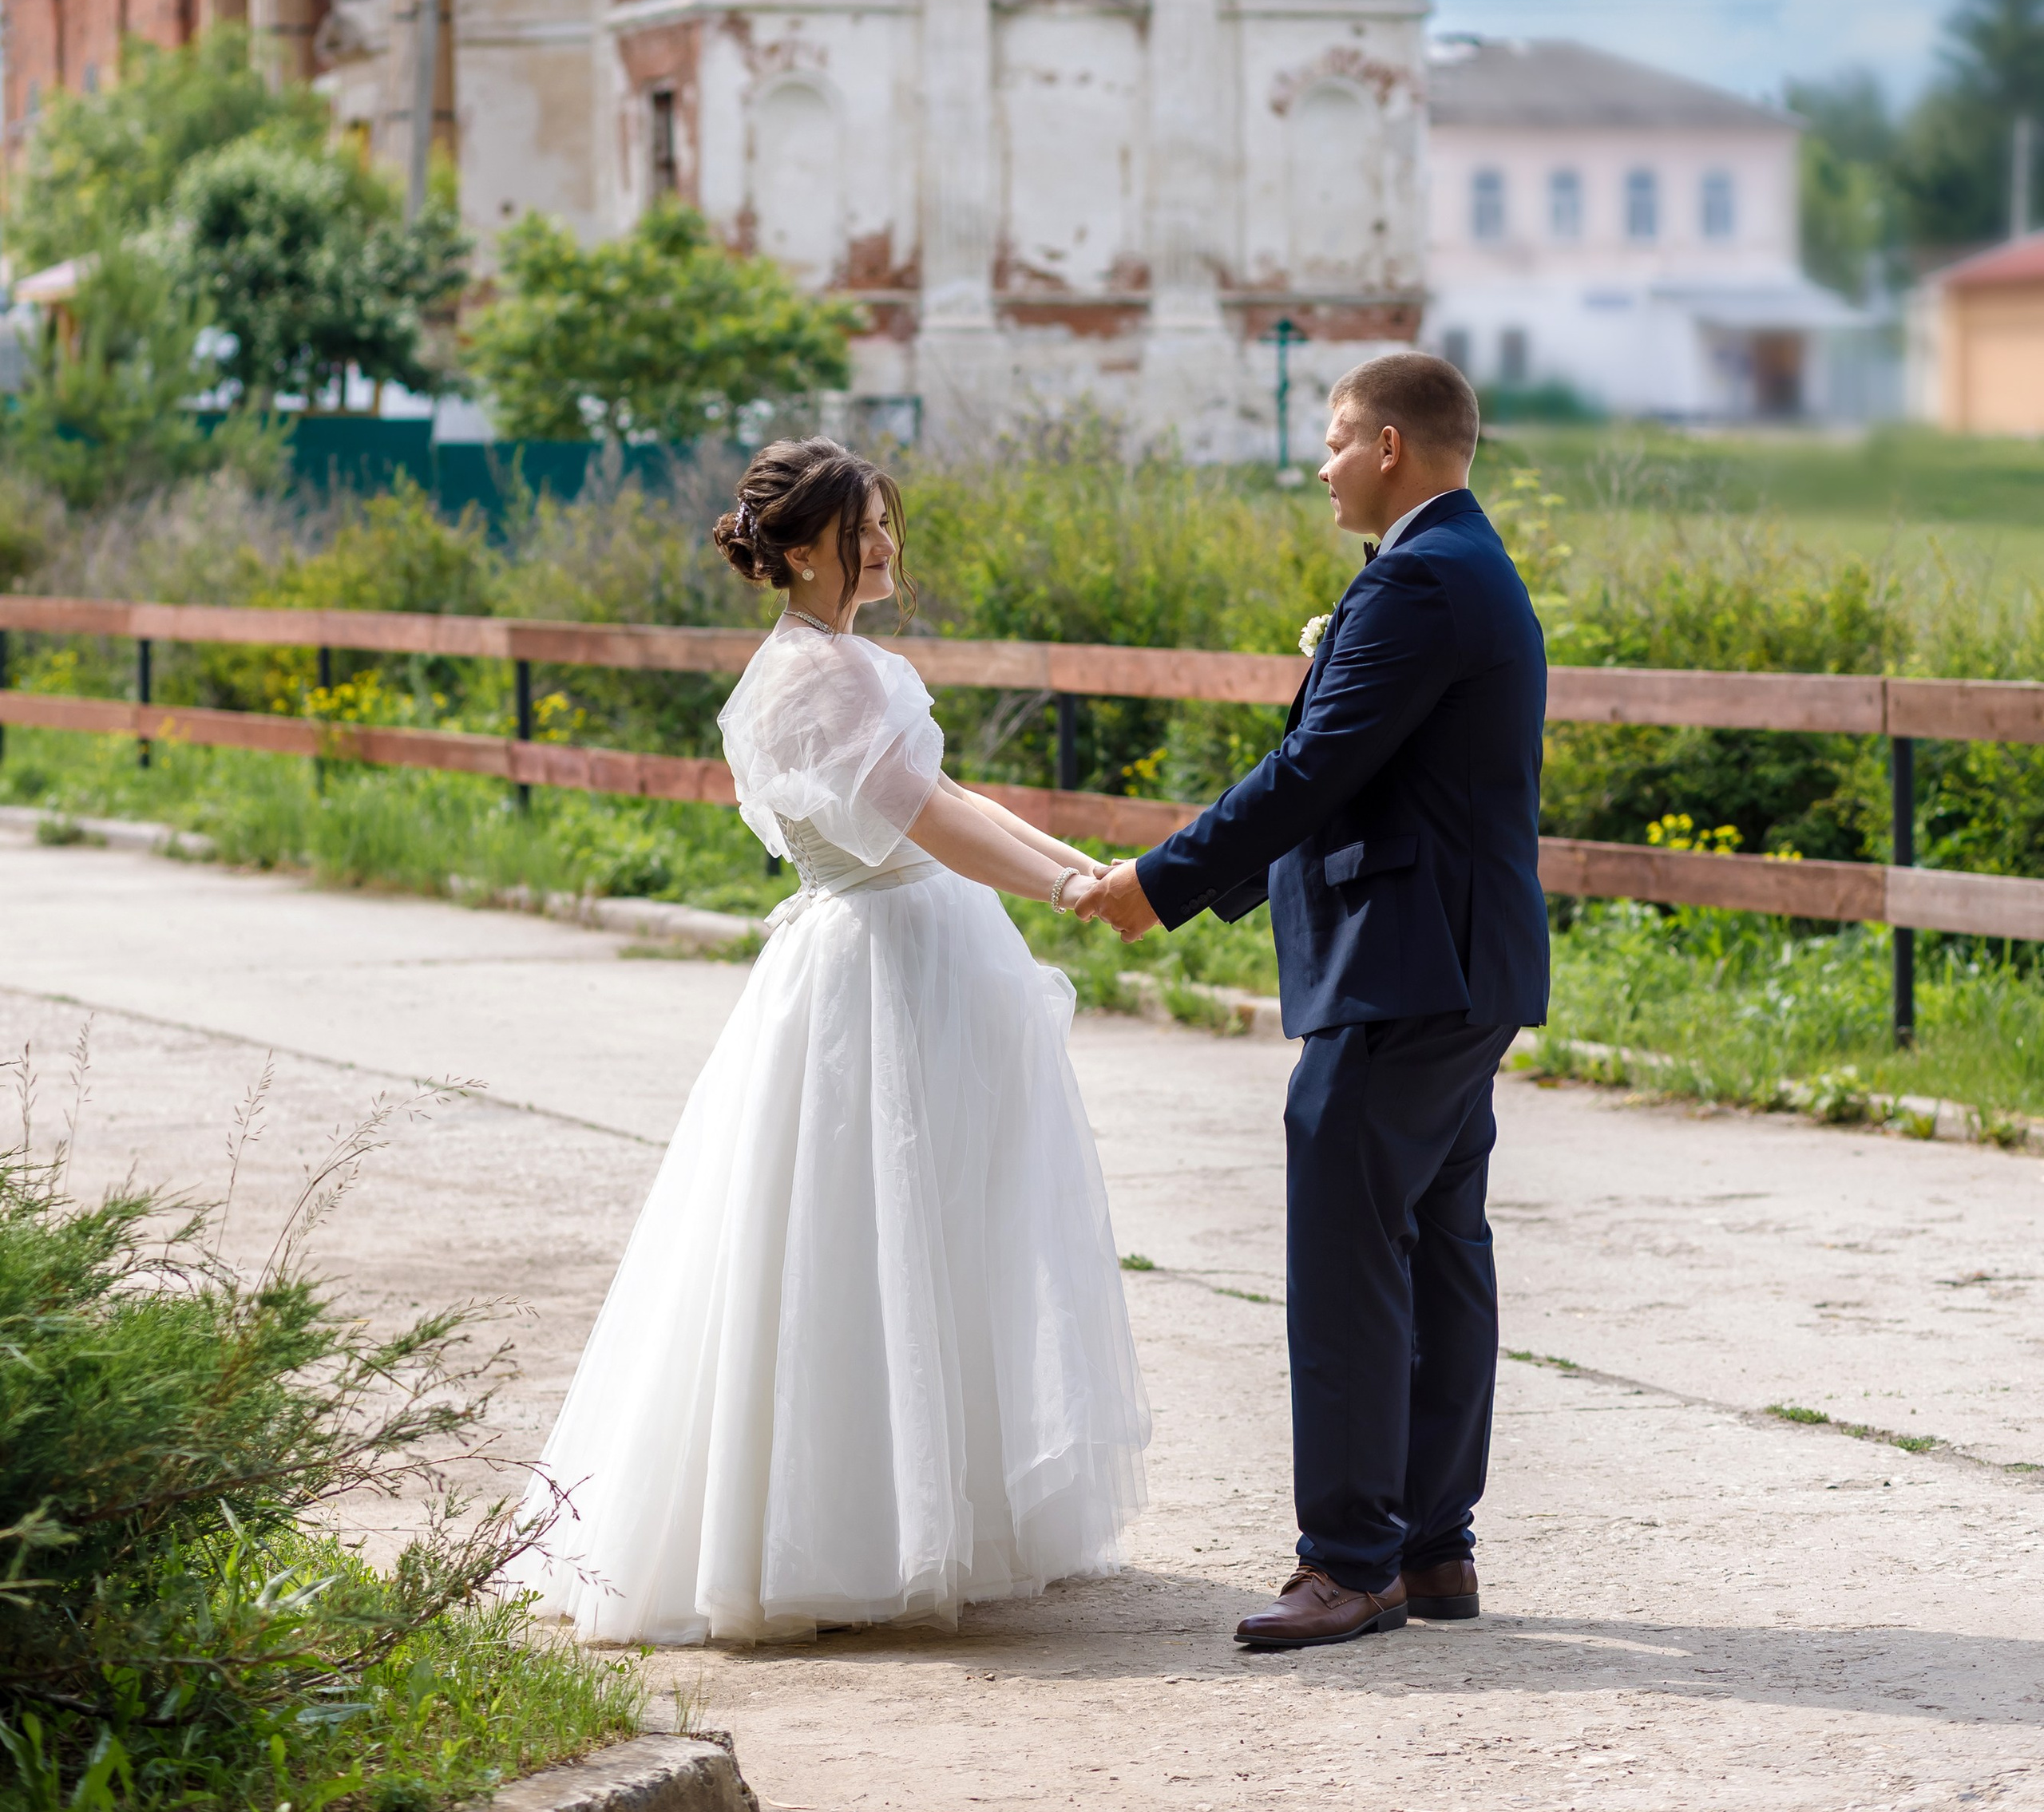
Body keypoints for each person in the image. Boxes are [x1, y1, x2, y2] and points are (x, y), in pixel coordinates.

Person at [513, 436, 1149, 1648]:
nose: (884, 544)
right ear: (799, 550)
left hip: (914, 950)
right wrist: (1073, 897)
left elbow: (950, 800)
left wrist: (1089, 867)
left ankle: (942, 1507)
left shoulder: (851, 664)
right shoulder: (812, 676)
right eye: (862, 528)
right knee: (858, 1239)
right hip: (872, 970)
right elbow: (923, 819)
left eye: (887, 523)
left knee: (937, 1232)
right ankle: (847, 1527)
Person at [1075, 351, 1548, 1652]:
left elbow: (1314, 769)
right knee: (1443, 1251)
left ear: (1393, 445)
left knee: (1349, 1261)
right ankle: (1431, 1548)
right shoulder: (1460, 563)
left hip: (1409, 971)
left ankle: (1349, 1563)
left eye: (1338, 439)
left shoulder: (1418, 579)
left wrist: (1158, 883)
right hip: (1462, 965)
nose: (1323, 463)